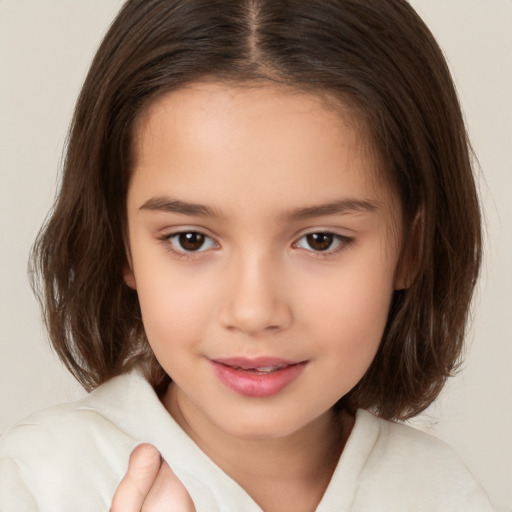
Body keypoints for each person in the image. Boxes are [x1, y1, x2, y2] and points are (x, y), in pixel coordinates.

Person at [0, 0, 496, 510]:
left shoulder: (442, 491)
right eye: (190, 239)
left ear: (411, 247)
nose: (254, 312)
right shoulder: (36, 483)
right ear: (121, 243)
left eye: (320, 240)